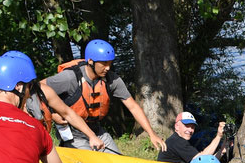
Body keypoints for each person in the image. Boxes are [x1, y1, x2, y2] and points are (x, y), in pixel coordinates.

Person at [37, 39, 165, 153]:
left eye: (110, 63)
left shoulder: (112, 80)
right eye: (104, 63)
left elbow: (133, 106)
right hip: (73, 132)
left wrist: (151, 134)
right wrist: (53, 114)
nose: (108, 68)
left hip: (96, 130)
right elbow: (38, 88)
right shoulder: (70, 78)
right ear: (91, 61)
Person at [157, 111, 225, 163]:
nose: (190, 130)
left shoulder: (180, 141)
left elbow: (207, 162)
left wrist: (222, 151)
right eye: (187, 126)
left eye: (192, 127)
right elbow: (201, 160)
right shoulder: (176, 141)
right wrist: (218, 136)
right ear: (177, 126)